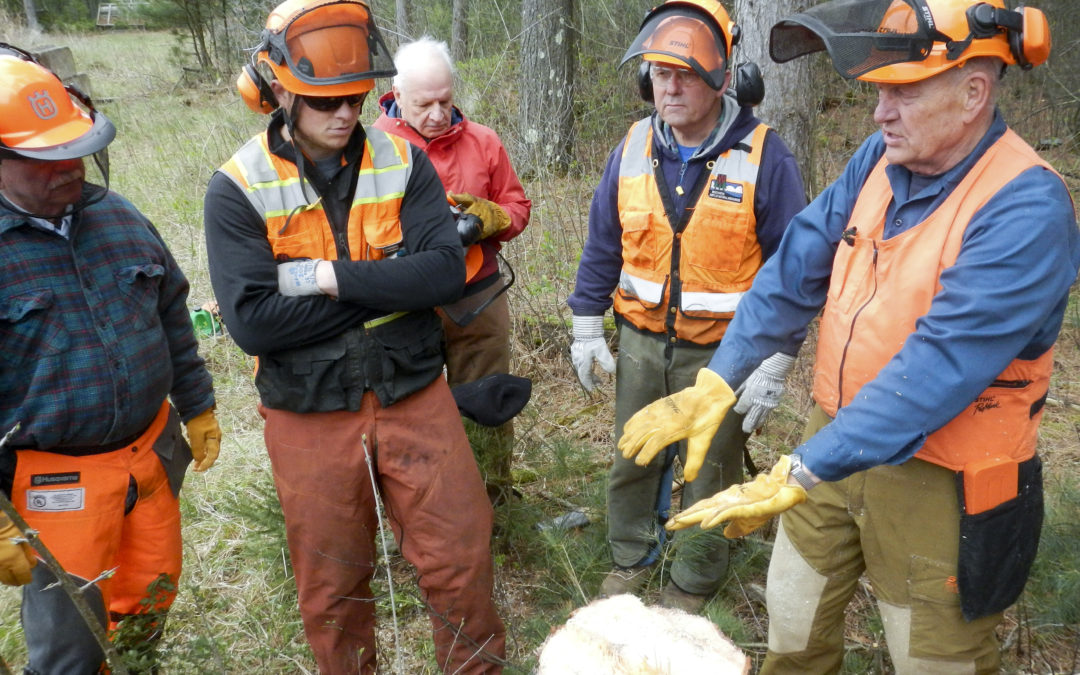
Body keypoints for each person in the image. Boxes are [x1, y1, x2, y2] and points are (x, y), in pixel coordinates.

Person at [619, 0, 1079, 671]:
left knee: (936, 658)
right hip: (833, 438)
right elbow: (796, 265)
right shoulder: (881, 159)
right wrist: (721, 377)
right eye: (878, 91)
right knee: (794, 621)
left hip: (942, 476)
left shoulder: (1025, 206)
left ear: (974, 92)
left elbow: (937, 368)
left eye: (903, 92)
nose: (879, 112)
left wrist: (804, 465)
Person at [203, 1, 505, 672]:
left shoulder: (402, 162)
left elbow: (444, 274)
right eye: (324, 101)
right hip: (305, 408)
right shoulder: (238, 187)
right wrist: (389, 282)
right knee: (333, 585)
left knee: (460, 556)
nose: (344, 114)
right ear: (280, 88)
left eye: (355, 98)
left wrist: (321, 278)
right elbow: (253, 321)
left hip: (414, 391)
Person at [567, 0, 806, 613]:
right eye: (659, 74)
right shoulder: (634, 145)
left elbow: (794, 270)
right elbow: (603, 241)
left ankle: (694, 580)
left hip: (727, 354)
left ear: (721, 76)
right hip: (644, 339)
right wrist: (586, 323)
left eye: (685, 74)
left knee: (709, 470)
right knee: (634, 454)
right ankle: (630, 557)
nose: (669, 88)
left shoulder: (764, 156)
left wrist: (776, 361)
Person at [0, 44, 220, 672]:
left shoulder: (118, 216)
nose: (68, 169)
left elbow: (172, 315)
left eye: (75, 150)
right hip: (50, 485)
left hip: (150, 456)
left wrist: (198, 406)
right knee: (72, 646)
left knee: (149, 602)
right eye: (45, 159)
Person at [372, 37, 531, 503]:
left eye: (446, 99)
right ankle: (419, 508)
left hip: (477, 296)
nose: (439, 113)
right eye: (425, 104)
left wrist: (493, 219)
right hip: (404, 301)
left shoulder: (483, 141)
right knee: (408, 411)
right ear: (397, 94)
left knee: (487, 400)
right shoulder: (372, 149)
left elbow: (516, 203)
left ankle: (493, 500)